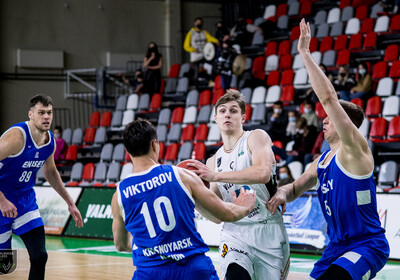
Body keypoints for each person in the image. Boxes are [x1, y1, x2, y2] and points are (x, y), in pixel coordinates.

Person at [268, 19, 390, 280]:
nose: (324, 120)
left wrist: (304, 52)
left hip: (367, 246)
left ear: (347, 125)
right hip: (335, 248)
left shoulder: (356, 150)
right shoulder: (322, 161)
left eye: (330, 118)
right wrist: (279, 193)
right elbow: (295, 188)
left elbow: (328, 98)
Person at [111, 119, 256, 280]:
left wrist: (153, 248)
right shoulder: (180, 175)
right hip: (192, 270)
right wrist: (245, 207)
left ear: (127, 151)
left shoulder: (119, 195)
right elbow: (225, 214)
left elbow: (121, 244)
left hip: (149, 273)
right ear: (154, 144)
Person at [187, 90, 290, 280]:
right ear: (215, 118)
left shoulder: (256, 137)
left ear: (243, 117)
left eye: (234, 111)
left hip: (268, 230)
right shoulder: (213, 161)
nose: (228, 114)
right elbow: (217, 215)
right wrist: (194, 195)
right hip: (235, 233)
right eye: (223, 110)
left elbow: (262, 173)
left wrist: (216, 176)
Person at [0, 94, 83, 279]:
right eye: (41, 113)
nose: (46, 117)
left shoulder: (49, 141)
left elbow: (51, 172)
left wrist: (70, 203)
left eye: (49, 113)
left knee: (40, 256)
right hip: (1, 199)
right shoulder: (16, 138)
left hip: (25, 201)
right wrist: (2, 200)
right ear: (30, 114)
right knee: (3, 266)